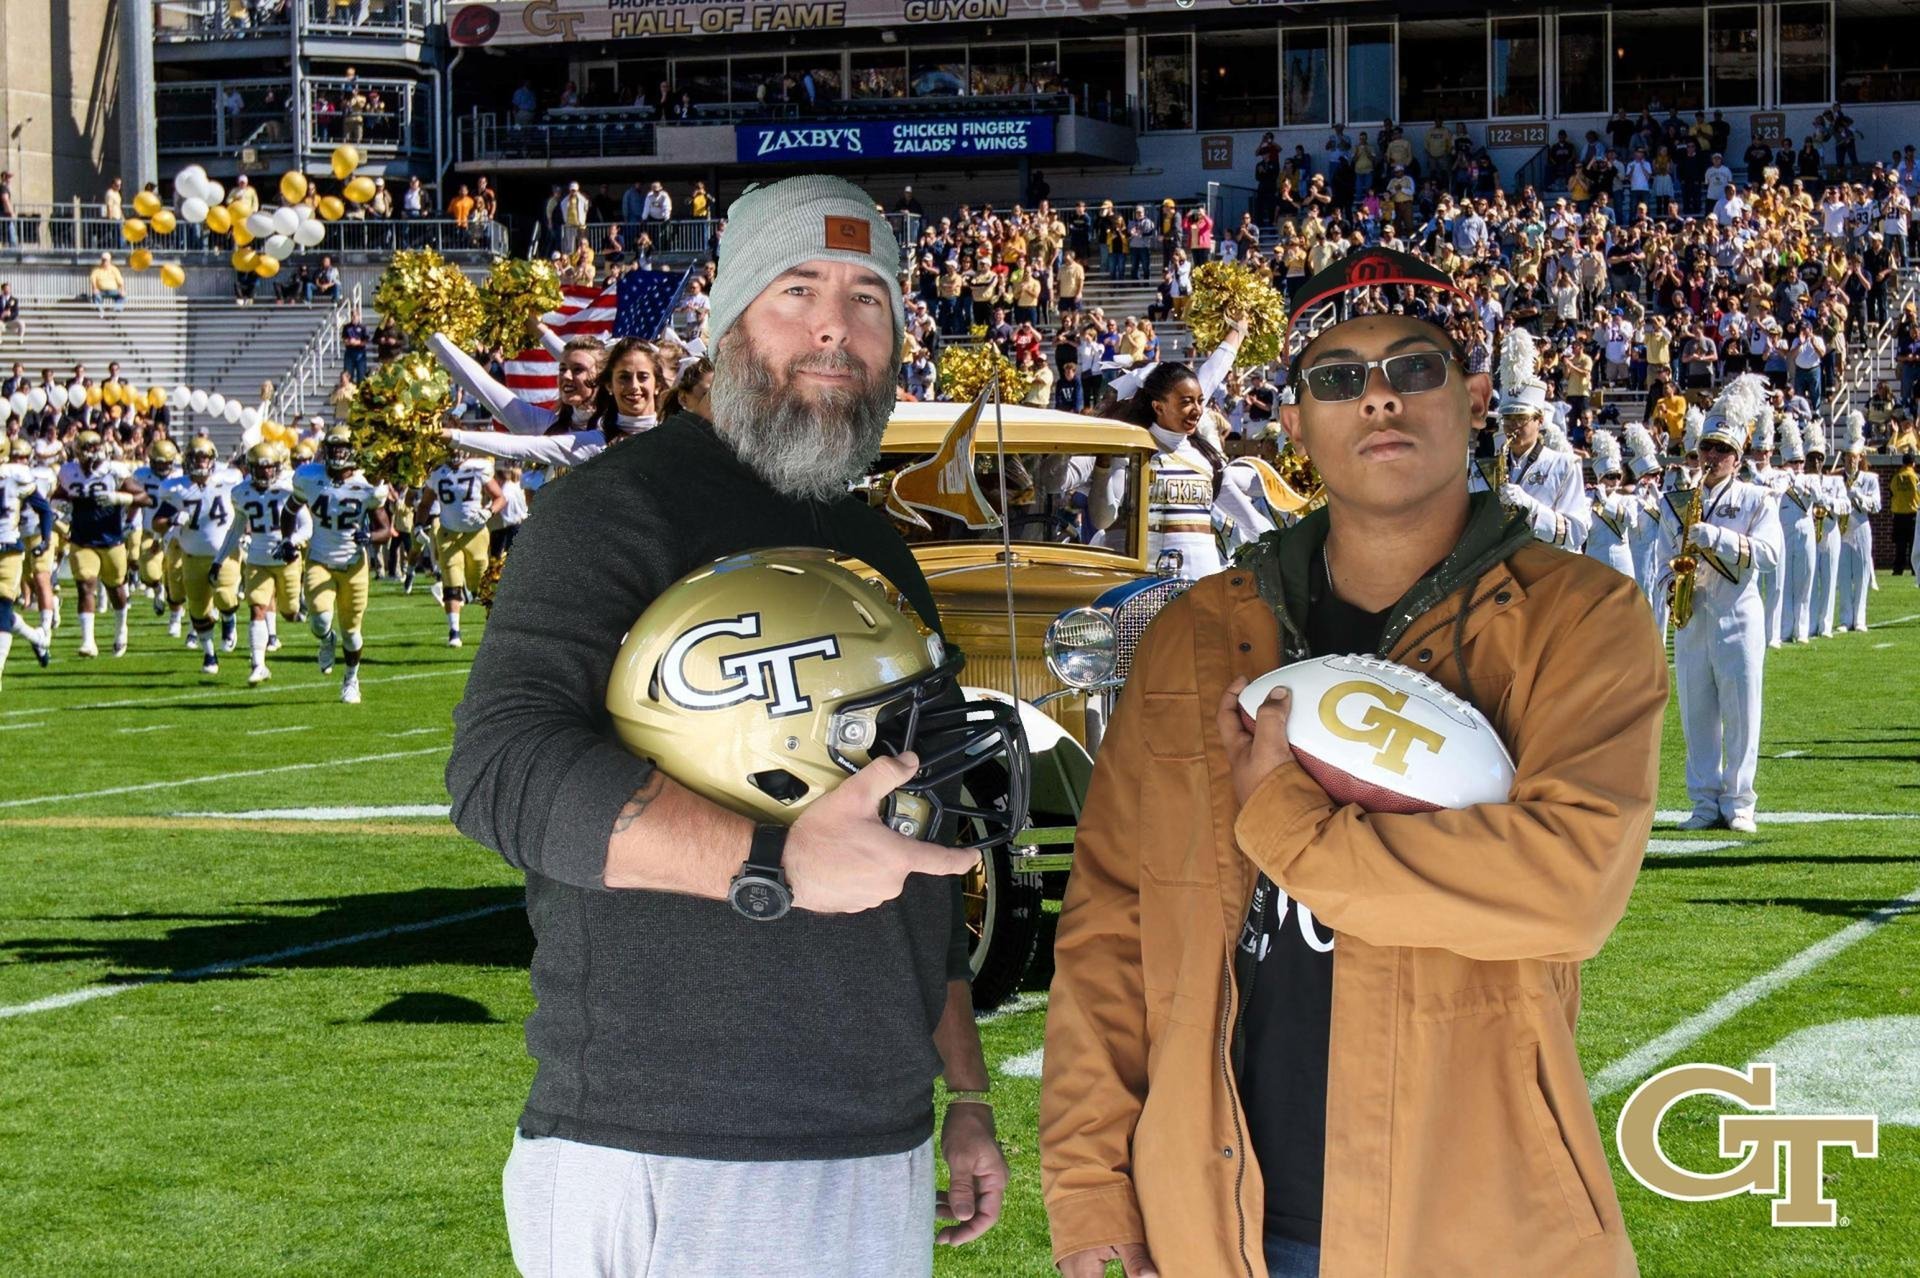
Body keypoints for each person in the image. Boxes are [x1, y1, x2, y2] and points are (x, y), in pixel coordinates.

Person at [1041, 246, 1666, 1278]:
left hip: (1468, 1218)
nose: (1378, 399)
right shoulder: (1195, 635)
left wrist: (1288, 824)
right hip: (1213, 1216)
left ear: (1472, 399)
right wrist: (1088, 1178)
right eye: (1337, 378)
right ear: (1292, 422)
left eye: (1413, 367)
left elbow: (1568, 888)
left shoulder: (1580, 618)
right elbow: (1112, 921)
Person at [444, 175, 1011, 1275]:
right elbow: (501, 770)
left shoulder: (875, 547)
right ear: (726, 321)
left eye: (868, 299)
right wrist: (772, 861)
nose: (835, 328)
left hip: (876, 1137)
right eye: (797, 289)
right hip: (669, 1142)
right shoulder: (619, 507)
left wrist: (967, 1091)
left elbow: (917, 848)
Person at [1653, 376, 1780, 833]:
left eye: (1722, 450)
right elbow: (1662, 558)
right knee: (1697, 712)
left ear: (1737, 458)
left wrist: (1717, 538)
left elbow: (1770, 554)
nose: (1711, 457)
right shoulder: (1676, 502)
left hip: (1738, 614)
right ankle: (1704, 801)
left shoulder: (1756, 498)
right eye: (1706, 447)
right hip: (1693, 617)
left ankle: (1741, 802)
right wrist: (1671, 585)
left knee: (1742, 710)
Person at [283, 424, 393, 703]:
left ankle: (351, 679)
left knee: (352, 633)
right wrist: (286, 539)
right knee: (319, 621)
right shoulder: (309, 477)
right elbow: (290, 509)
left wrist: (369, 537)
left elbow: (386, 529)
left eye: (343, 449)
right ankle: (326, 640)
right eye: (333, 449)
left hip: (354, 565)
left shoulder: (367, 485)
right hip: (319, 559)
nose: (337, 454)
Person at [1469, 328, 1590, 550]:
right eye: (1507, 419)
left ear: (1539, 420)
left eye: (1521, 418)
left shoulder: (1565, 465)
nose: (1512, 426)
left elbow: (1576, 534)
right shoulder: (1482, 470)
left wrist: (1531, 508)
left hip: (1547, 566)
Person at [211, 441, 306, 685]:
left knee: (289, 612)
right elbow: (235, 529)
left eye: (269, 467)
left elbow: (307, 526)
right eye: (260, 467)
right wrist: (219, 560)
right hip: (258, 558)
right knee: (256, 608)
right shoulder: (240, 492)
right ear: (251, 468)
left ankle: (297, 613)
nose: (265, 472)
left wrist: (290, 541)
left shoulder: (289, 489)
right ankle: (258, 664)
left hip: (286, 559)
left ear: (277, 467)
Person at [53, 428, 148, 658]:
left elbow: (145, 497)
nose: (93, 453)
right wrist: (58, 508)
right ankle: (88, 641)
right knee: (85, 586)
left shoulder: (113, 471)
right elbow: (58, 496)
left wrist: (119, 497)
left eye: (95, 448)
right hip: (82, 539)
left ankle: (121, 628)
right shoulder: (68, 471)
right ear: (79, 451)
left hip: (111, 539)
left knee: (116, 589)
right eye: (88, 448)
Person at [153, 438, 242, 675]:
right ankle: (209, 654)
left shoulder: (229, 479)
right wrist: (173, 519)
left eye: (204, 458)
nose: (201, 463)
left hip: (224, 552)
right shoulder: (176, 488)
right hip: (192, 555)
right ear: (188, 460)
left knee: (224, 596)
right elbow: (157, 523)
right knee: (198, 609)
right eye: (196, 458)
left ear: (212, 459)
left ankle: (229, 620)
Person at [419, 446, 503, 647]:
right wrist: (418, 526)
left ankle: (479, 606)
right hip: (448, 533)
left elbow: (500, 498)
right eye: (452, 449)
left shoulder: (479, 467)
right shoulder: (438, 472)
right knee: (451, 579)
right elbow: (425, 503)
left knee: (481, 584)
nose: (456, 453)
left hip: (476, 533)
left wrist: (489, 511)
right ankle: (454, 631)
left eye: (460, 448)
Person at [1, 436, 57, 686]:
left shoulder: (18, 474)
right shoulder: (17, 474)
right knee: (2, 613)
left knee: (3, 609)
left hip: (9, 550)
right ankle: (37, 637)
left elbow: (44, 508)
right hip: (13, 542)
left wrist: (45, 539)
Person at [1776, 415, 1820, 642]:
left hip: (1806, 531)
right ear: (1785, 462)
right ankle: (1784, 629)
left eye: (1801, 462)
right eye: (1794, 462)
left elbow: (1819, 498)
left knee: (1805, 579)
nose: (1799, 467)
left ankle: (1801, 629)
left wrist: (1804, 486)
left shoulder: (1810, 480)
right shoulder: (1778, 479)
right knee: (1785, 582)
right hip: (1785, 533)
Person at [1836, 424, 1881, 632]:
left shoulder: (1869, 479)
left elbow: (1877, 505)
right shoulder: (1837, 479)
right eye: (1847, 457)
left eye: (1854, 457)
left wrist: (1859, 497)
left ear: (1860, 457)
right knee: (1844, 573)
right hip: (1843, 527)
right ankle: (1845, 618)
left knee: (1862, 574)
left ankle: (1860, 618)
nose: (1850, 461)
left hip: (1861, 526)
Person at [1890, 451, 1917, 577]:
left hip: (1899, 515)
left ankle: (1898, 569)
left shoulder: (1896, 477)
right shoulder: (1916, 477)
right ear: (1913, 463)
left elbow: (1892, 492)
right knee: (1914, 545)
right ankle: (1914, 569)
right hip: (1913, 515)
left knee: (1900, 545)